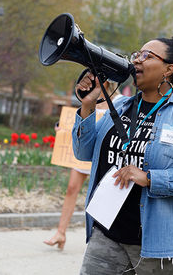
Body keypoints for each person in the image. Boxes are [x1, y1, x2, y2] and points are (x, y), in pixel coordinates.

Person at [73, 30, 173, 274]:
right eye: (136, 54)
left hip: (161, 247)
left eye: (146, 55)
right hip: (107, 234)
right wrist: (88, 106)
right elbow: (84, 152)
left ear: (168, 69)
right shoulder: (120, 106)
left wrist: (151, 178)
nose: (136, 60)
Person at [44, 85, 121, 250]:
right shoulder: (89, 99)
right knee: (71, 189)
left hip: (103, 157)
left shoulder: (119, 102)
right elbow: (77, 122)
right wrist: (62, 128)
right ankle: (60, 232)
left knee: (100, 195)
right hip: (83, 156)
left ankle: (102, 239)